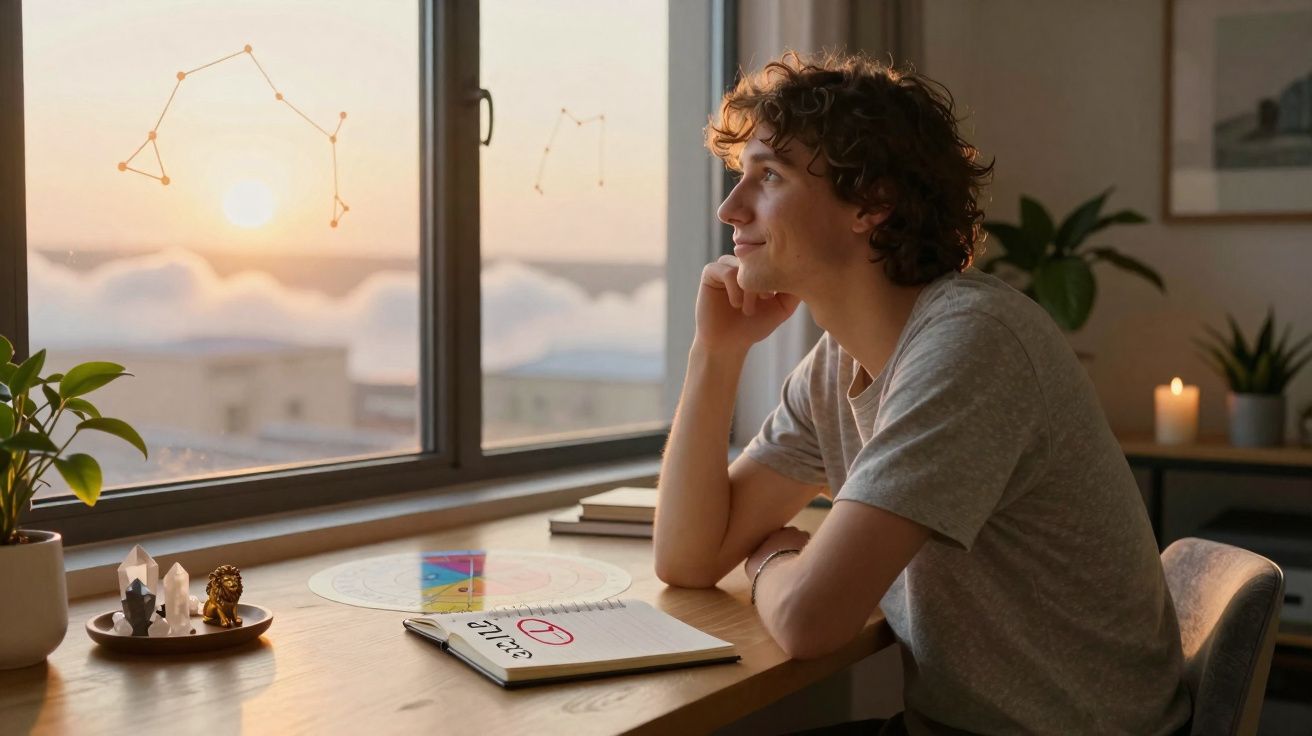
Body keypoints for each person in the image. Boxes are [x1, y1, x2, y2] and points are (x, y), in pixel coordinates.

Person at [652, 51, 1191, 734]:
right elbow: (688, 558)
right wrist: (716, 353)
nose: (731, 207)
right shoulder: (837, 363)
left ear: (872, 204)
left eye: (770, 176)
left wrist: (772, 558)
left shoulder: (972, 344)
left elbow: (810, 620)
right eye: (741, 177)